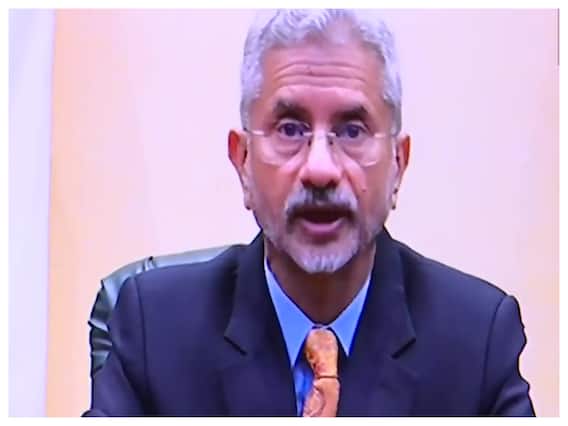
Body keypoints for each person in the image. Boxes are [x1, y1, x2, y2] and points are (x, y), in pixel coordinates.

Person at [84, 9, 535, 416]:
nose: (320, 169)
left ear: (398, 164)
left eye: (352, 130)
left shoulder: (477, 340)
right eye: (290, 129)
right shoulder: (155, 329)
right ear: (243, 161)